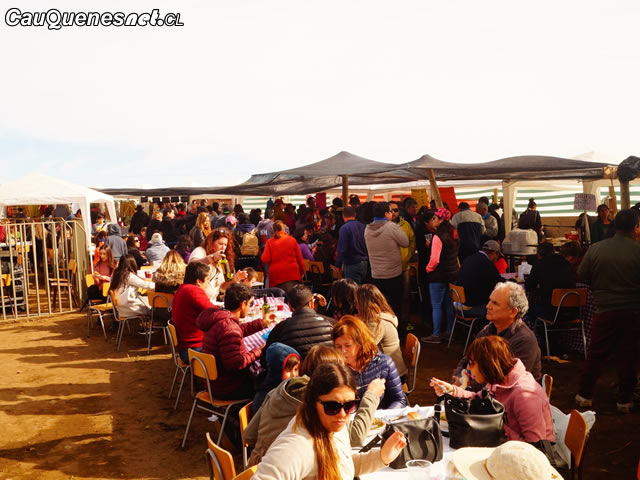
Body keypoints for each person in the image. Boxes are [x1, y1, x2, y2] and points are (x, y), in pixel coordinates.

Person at [252, 363, 407, 480]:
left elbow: (342, 466)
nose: (342, 414)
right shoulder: (297, 447)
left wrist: (382, 457)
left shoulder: (333, 427)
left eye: (349, 405)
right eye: (332, 406)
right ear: (313, 402)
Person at [431, 336, 554, 444]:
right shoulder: (498, 381)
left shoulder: (525, 394)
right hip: (501, 445)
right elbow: (477, 398)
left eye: (471, 362)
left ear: (487, 363)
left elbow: (535, 446)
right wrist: (452, 390)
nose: (468, 368)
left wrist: (495, 426)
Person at [575, 208, 640, 413]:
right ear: (636, 228)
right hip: (633, 311)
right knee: (630, 356)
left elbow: (581, 274)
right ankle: (624, 401)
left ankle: (585, 395)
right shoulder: (638, 250)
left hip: (604, 310)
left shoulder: (596, 249)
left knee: (596, 354)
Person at [451, 282, 542, 389]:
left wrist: (466, 384)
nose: (488, 306)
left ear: (513, 312)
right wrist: (458, 378)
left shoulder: (524, 341)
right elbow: (467, 360)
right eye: (489, 301)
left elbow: (505, 382)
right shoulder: (488, 330)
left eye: (495, 303)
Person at [197, 283, 271, 399]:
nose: (249, 307)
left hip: (215, 382)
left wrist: (261, 323)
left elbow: (237, 330)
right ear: (243, 304)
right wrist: (258, 351)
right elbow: (236, 364)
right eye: (249, 304)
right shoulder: (229, 328)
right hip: (227, 387)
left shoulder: (221, 319)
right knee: (267, 383)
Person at [333, 315, 407, 409]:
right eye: (339, 347)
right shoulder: (337, 369)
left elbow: (399, 400)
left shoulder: (384, 364)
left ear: (360, 343)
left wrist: (383, 416)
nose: (343, 351)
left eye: (348, 345)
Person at [262, 284, 334, 360]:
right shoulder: (331, 323)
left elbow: (265, 358)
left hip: (297, 367)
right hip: (328, 365)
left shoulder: (280, 328)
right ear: (312, 303)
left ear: (289, 307)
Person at [364, 201, 409, 320]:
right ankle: (396, 328)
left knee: (380, 307)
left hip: (376, 274)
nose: (392, 213)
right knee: (394, 306)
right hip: (393, 274)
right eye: (390, 211)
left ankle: (382, 328)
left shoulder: (367, 229)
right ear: (385, 213)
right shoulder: (391, 227)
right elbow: (405, 243)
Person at [422, 208, 459, 344]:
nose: (433, 220)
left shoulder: (438, 237)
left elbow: (435, 260)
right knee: (449, 305)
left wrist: (428, 269)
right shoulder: (454, 233)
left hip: (438, 276)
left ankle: (436, 334)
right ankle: (450, 332)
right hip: (452, 274)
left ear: (441, 220)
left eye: (435, 218)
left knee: (436, 306)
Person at [354, 284, 407, 378]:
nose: (355, 306)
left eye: (357, 302)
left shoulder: (377, 323)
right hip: (393, 369)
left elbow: (363, 349)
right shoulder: (384, 315)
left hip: (392, 376)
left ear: (364, 304)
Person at [170, 262, 217, 363]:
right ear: (199, 281)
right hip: (194, 349)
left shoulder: (182, 288)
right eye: (207, 280)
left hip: (186, 347)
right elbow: (214, 312)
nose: (208, 284)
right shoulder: (193, 291)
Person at [525, 241, 576, 323]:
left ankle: (538, 331)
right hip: (572, 312)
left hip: (551, 312)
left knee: (529, 309)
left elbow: (529, 287)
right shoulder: (567, 263)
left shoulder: (539, 264)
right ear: (554, 251)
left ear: (538, 255)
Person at [191, 228, 248, 300]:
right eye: (220, 244)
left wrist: (236, 278)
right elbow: (192, 265)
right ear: (211, 242)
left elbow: (223, 286)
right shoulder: (200, 251)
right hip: (197, 299)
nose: (223, 247)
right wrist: (212, 258)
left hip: (212, 301)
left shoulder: (223, 260)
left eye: (225, 245)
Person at [456, 239, 503, 318]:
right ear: (495, 253)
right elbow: (499, 283)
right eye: (497, 256)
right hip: (471, 308)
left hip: (458, 306)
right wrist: (512, 281)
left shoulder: (469, 258)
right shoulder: (487, 263)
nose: (496, 258)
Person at [389, 200, 416, 338]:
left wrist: (408, 255)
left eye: (395, 210)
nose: (393, 213)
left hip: (404, 266)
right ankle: (392, 323)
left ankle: (405, 321)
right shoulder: (385, 226)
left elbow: (412, 241)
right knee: (391, 297)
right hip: (389, 268)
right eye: (391, 210)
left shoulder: (405, 224)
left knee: (405, 296)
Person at [252, 343, 301, 414]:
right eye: (288, 370)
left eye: (296, 369)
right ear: (277, 370)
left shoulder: (291, 389)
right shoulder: (265, 397)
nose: (294, 375)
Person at [261, 220, 305, 294]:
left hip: (276, 277)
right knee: (292, 298)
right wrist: (302, 272)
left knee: (279, 298)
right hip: (293, 275)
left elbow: (265, 259)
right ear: (284, 228)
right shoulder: (292, 240)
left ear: (273, 230)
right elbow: (299, 259)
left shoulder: (270, 242)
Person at [109, 254, 155, 319]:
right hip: (130, 308)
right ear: (132, 264)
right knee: (153, 309)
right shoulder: (128, 276)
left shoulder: (116, 274)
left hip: (121, 309)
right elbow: (146, 285)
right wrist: (160, 285)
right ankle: (151, 325)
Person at [335, 205, 369, 285]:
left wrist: (338, 264)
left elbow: (342, 249)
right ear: (355, 215)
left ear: (343, 216)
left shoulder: (344, 228)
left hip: (352, 263)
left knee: (353, 289)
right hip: (365, 263)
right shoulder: (363, 226)